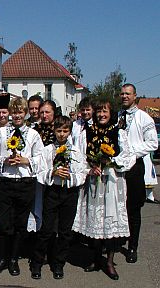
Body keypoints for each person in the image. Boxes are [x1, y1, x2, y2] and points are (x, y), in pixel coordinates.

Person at [72, 98, 135, 280]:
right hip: (93, 182)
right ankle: (95, 258)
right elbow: (79, 156)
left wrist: (112, 162)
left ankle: (109, 262)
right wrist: (89, 169)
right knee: (95, 222)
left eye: (105, 111)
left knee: (110, 221)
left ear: (110, 113)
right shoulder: (87, 132)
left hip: (112, 183)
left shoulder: (119, 131)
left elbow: (129, 156)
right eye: (99, 111)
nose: (101, 114)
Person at [0, 97, 44, 277]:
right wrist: (4, 160)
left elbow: (41, 159)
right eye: (15, 112)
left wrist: (26, 160)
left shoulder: (34, 134)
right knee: (3, 223)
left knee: (20, 224)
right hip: (5, 183)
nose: (17, 115)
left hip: (25, 184)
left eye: (21, 112)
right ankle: (2, 258)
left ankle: (13, 259)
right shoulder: (1, 132)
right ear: (10, 113)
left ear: (26, 113)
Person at [30, 116, 87, 280]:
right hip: (53, 192)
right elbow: (40, 173)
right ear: (54, 131)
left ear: (69, 132)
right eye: (59, 130)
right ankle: (37, 262)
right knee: (46, 230)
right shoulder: (48, 150)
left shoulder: (76, 151)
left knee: (64, 231)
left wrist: (71, 176)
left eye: (65, 131)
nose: (61, 134)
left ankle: (58, 263)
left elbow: (82, 174)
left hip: (69, 193)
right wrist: (53, 173)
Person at [117, 83, 158, 263]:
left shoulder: (144, 118)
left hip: (135, 166)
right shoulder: (118, 116)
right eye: (122, 94)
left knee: (133, 208)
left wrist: (131, 151)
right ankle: (118, 238)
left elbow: (153, 144)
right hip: (118, 167)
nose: (124, 96)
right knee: (118, 207)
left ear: (135, 97)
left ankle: (133, 246)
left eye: (128, 94)